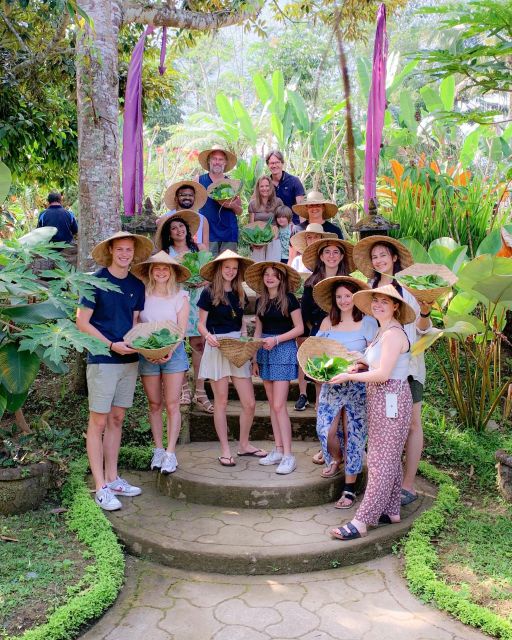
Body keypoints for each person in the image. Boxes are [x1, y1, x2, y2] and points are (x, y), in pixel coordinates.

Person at [329, 285, 416, 540]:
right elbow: (377, 363)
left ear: (396, 306)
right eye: (375, 301)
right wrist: (361, 360)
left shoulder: (392, 334)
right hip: (380, 398)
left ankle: (361, 521)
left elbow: (383, 373)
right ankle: (391, 510)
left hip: (392, 397)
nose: (378, 305)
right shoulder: (383, 330)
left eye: (384, 302)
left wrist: (347, 375)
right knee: (386, 455)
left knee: (380, 461)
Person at [76, 231, 153, 511]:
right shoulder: (94, 281)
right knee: (97, 422)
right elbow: (81, 323)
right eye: (119, 250)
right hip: (102, 359)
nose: (124, 254)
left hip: (128, 361)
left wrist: (151, 348)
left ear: (134, 253)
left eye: (128, 250)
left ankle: (113, 477)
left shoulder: (136, 285)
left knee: (117, 419)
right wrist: (110, 344)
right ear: (111, 251)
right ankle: (100, 487)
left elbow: (134, 326)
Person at [353, 235, 432, 506]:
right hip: (380, 369)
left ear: (394, 257)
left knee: (411, 424)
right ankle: (386, 482)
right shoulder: (371, 288)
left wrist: (425, 312)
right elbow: (370, 330)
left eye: (383, 255)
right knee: (386, 427)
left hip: (408, 367)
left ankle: (407, 485)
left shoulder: (409, 286)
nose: (379, 260)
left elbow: (422, 329)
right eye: (374, 257)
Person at [197, 250, 266, 465]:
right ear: (219, 269)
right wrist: (208, 337)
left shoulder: (239, 293)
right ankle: (225, 450)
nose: (231, 271)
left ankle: (244, 445)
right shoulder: (208, 293)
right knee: (222, 400)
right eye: (227, 267)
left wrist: (246, 342)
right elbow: (200, 324)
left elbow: (242, 323)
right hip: (217, 345)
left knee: (250, 402)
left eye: (234, 268)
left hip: (237, 347)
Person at [314, 277, 378, 507]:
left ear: (356, 298)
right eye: (339, 296)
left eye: (348, 296)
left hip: (357, 385)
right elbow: (314, 351)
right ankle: (335, 458)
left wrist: (358, 366)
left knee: (354, 433)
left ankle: (349, 487)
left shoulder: (368, 323)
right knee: (326, 429)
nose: (343, 300)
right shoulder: (327, 323)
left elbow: (374, 357)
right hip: (331, 385)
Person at [131, 252, 191, 474]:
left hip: (173, 354)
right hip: (146, 352)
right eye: (157, 268)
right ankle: (158, 449)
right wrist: (146, 351)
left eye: (166, 268)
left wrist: (167, 351)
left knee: (172, 404)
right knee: (154, 404)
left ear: (172, 272)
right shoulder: (142, 294)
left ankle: (171, 453)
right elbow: (135, 323)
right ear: (150, 271)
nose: (161, 272)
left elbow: (181, 330)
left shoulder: (181, 296)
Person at [246, 262, 303, 474]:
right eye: (267, 274)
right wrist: (253, 358)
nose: (270, 278)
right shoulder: (261, 301)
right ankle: (278, 449)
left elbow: (300, 328)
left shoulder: (289, 299)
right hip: (264, 352)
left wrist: (277, 340)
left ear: (281, 279)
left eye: (274, 275)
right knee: (272, 405)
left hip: (283, 350)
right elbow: (258, 332)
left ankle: (289, 455)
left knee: (279, 405)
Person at [155, 210, 213, 414]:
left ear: (187, 230)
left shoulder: (200, 248)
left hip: (198, 300)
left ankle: (200, 390)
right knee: (176, 342)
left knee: (199, 343)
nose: (178, 230)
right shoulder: (165, 253)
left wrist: (203, 280)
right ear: (169, 234)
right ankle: (183, 389)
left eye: (181, 227)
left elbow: (210, 273)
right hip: (175, 299)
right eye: (173, 228)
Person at [296, 238, 355, 411]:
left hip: (346, 334)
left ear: (342, 256)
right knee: (321, 379)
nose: (331, 256)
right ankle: (322, 422)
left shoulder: (350, 283)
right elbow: (305, 313)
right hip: (319, 333)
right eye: (327, 252)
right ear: (321, 256)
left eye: (336, 252)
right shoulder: (311, 283)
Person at [197, 146, 242, 256]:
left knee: (228, 267)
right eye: (214, 158)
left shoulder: (232, 184)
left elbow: (239, 211)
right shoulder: (199, 180)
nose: (217, 162)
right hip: (208, 233)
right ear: (209, 161)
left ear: (225, 162)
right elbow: (193, 207)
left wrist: (230, 205)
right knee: (208, 268)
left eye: (221, 159)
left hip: (229, 233)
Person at [156, 180, 209, 250]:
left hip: (195, 257)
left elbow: (206, 247)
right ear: (176, 198)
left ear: (194, 198)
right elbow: (161, 244)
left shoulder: (202, 219)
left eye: (190, 195)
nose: (187, 197)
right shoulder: (165, 218)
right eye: (183, 195)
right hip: (172, 258)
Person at [246, 175, 283, 262]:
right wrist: (252, 243)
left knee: (273, 267)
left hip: (274, 239)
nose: (264, 188)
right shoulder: (253, 204)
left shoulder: (278, 202)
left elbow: (282, 221)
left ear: (271, 187)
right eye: (261, 186)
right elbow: (251, 224)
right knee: (258, 268)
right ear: (258, 188)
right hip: (258, 240)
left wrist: (276, 235)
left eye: (267, 186)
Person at [265, 150, 305, 225]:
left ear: (282, 163)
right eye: (271, 163)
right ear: (268, 165)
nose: (274, 165)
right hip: (272, 225)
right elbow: (257, 202)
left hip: (293, 225)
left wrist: (302, 228)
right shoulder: (265, 184)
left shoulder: (294, 181)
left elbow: (301, 207)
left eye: (277, 162)